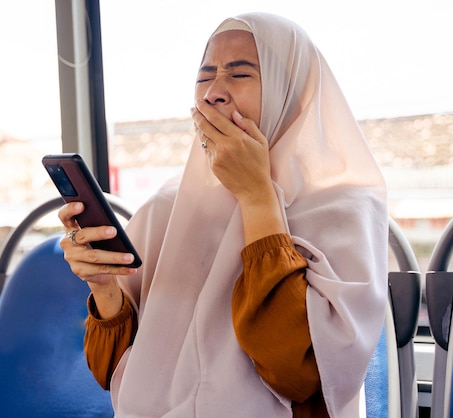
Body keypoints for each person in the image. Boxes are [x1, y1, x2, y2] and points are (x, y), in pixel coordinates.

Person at [58, 12, 388, 418]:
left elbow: (299, 376)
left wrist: (256, 196)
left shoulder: (343, 208)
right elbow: (111, 370)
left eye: (240, 74)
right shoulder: (167, 206)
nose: (214, 92)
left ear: (290, 93)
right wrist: (105, 286)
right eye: (204, 76)